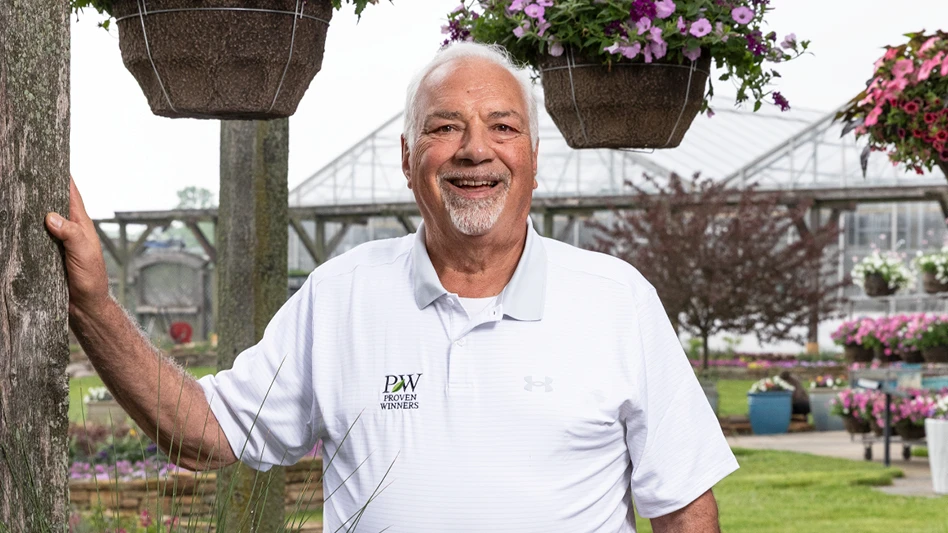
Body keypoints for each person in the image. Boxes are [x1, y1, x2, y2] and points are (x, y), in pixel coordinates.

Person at [47, 42, 737, 532]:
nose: (475, 148)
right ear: (409, 161)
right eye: (445, 127)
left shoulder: (616, 299)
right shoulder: (341, 293)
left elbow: (683, 508)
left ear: (532, 159)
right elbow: (206, 433)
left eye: (503, 126)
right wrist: (94, 306)